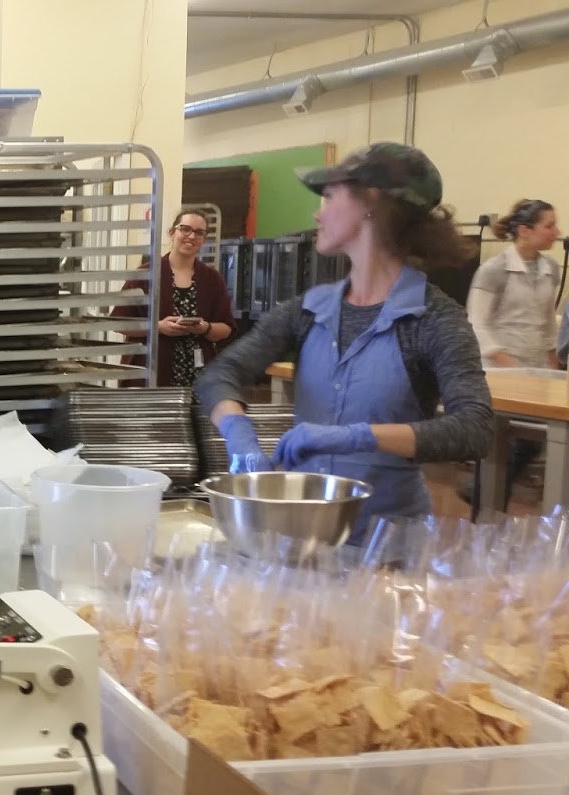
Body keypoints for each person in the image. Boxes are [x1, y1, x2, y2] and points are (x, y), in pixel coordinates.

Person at [196, 143, 494, 542]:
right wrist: (238, 433)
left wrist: (359, 436)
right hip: (301, 535)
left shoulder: (432, 318)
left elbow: (474, 427)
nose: (317, 214)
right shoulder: (309, 310)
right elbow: (220, 374)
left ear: (370, 199)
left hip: (387, 545)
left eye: (330, 196)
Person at [462, 199, 563, 503]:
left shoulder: (551, 269)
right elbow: (476, 324)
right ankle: (484, 497)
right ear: (524, 230)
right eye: (549, 226)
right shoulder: (493, 270)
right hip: (499, 371)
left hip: (534, 371)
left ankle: (481, 493)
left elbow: (547, 321)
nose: (556, 232)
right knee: (508, 442)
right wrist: (507, 363)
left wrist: (553, 362)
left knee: (534, 439)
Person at [116, 211, 237, 387]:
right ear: (172, 233)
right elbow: (119, 323)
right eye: (185, 229)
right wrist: (158, 327)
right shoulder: (145, 275)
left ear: (204, 239)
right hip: (150, 375)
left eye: (199, 232)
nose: (191, 236)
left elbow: (226, 328)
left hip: (199, 378)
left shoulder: (212, 279)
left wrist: (204, 328)